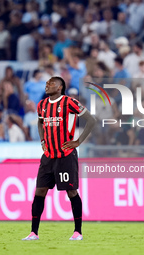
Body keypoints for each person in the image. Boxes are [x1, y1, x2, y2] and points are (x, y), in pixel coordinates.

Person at [22, 76, 96, 241]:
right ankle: (34, 232)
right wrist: (42, 140)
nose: (47, 86)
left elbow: (91, 120)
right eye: (47, 83)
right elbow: (40, 123)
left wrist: (78, 141)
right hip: (48, 156)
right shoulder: (42, 105)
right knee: (40, 191)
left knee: (71, 192)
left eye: (51, 83)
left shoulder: (70, 102)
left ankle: (78, 232)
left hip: (66, 155)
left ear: (60, 87)